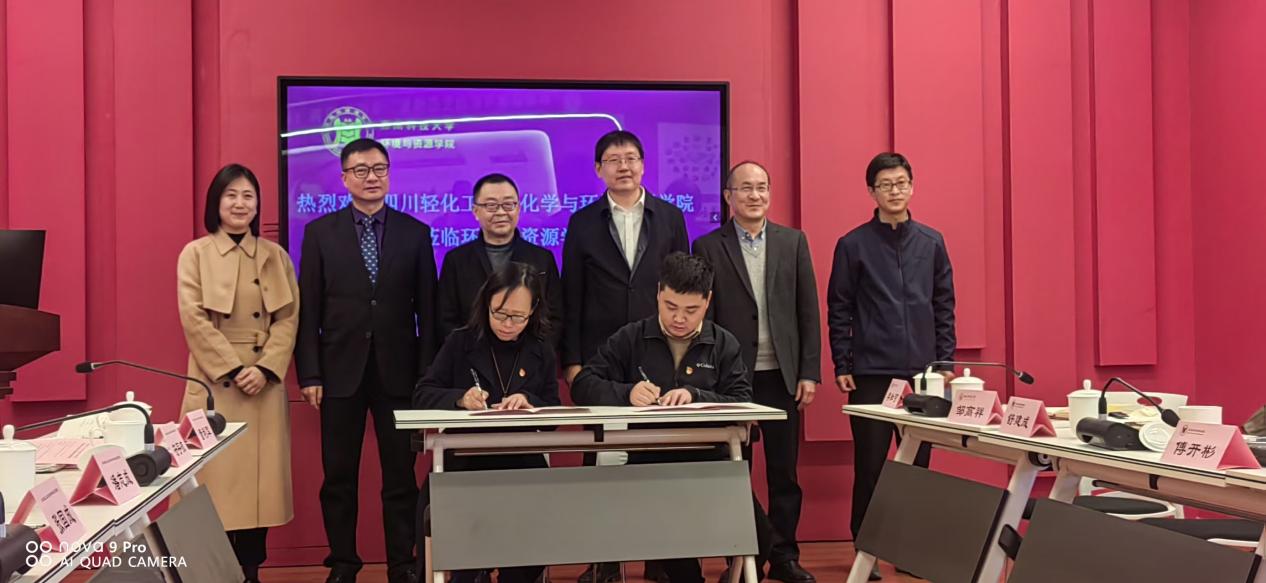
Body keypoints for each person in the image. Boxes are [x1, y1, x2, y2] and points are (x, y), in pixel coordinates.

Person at [572, 252, 767, 583]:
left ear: (707, 301)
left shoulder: (722, 343)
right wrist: (627, 393)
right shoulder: (632, 337)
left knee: (759, 541)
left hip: (710, 464)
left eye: (691, 310)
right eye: (670, 306)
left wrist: (697, 396)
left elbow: (742, 400)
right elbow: (583, 385)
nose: (679, 318)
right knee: (679, 557)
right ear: (659, 293)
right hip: (651, 464)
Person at [295, 138, 437, 583]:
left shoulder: (415, 233)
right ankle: (343, 564)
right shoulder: (320, 233)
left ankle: (402, 564)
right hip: (338, 373)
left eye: (379, 169)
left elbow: (429, 312)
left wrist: (427, 377)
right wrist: (310, 372)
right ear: (344, 178)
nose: (371, 177)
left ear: (389, 174)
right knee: (338, 477)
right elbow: (308, 309)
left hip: (400, 374)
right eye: (360, 170)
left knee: (400, 477)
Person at [561, 130, 688, 583]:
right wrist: (572, 361)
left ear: (643, 164)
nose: (624, 166)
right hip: (604, 359)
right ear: (599, 169)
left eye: (631, 157)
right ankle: (604, 560)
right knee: (603, 460)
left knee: (660, 460)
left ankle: (661, 559)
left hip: (660, 350)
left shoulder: (670, 217)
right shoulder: (582, 222)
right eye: (613, 160)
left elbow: (684, 287)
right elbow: (571, 295)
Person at [827, 152, 956, 581]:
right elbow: (839, 307)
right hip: (871, 372)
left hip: (923, 373)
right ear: (872, 192)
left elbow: (944, 304)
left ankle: (910, 549)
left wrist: (944, 360)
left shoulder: (932, 242)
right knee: (870, 465)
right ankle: (867, 550)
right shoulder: (853, 245)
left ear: (912, 186)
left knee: (918, 468)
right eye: (885, 184)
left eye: (901, 183)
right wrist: (842, 361)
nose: (895, 191)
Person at [692, 161, 820, 583]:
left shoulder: (793, 242)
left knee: (785, 473)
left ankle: (783, 557)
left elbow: (807, 310)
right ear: (728, 196)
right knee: (734, 472)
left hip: (782, 375)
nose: (755, 195)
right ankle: (741, 556)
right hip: (733, 379)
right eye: (745, 188)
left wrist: (808, 372)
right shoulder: (708, 246)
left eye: (762, 187)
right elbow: (705, 320)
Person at [176, 163, 299, 583]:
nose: (240, 203)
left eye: (248, 195)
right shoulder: (195, 254)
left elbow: (288, 319)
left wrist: (264, 368)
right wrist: (232, 367)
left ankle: (250, 573)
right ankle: (214, 573)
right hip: (215, 385)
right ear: (216, 202)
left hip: (262, 386)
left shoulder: (276, 256)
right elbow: (193, 319)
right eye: (231, 195)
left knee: (258, 493)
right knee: (213, 488)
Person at [414, 261, 560, 583]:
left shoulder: (540, 349)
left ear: (533, 311)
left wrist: (530, 402)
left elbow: (553, 410)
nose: (508, 324)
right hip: (466, 464)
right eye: (500, 313)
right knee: (449, 538)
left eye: (518, 317)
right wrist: (460, 399)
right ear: (486, 304)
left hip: (521, 465)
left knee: (529, 547)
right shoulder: (461, 342)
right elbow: (423, 393)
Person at [436, 173, 561, 343]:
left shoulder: (542, 258)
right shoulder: (456, 260)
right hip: (471, 355)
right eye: (491, 205)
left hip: (530, 356)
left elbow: (554, 318)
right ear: (476, 211)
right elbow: (446, 320)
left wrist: (533, 354)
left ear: (518, 208)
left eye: (508, 204)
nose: (501, 212)